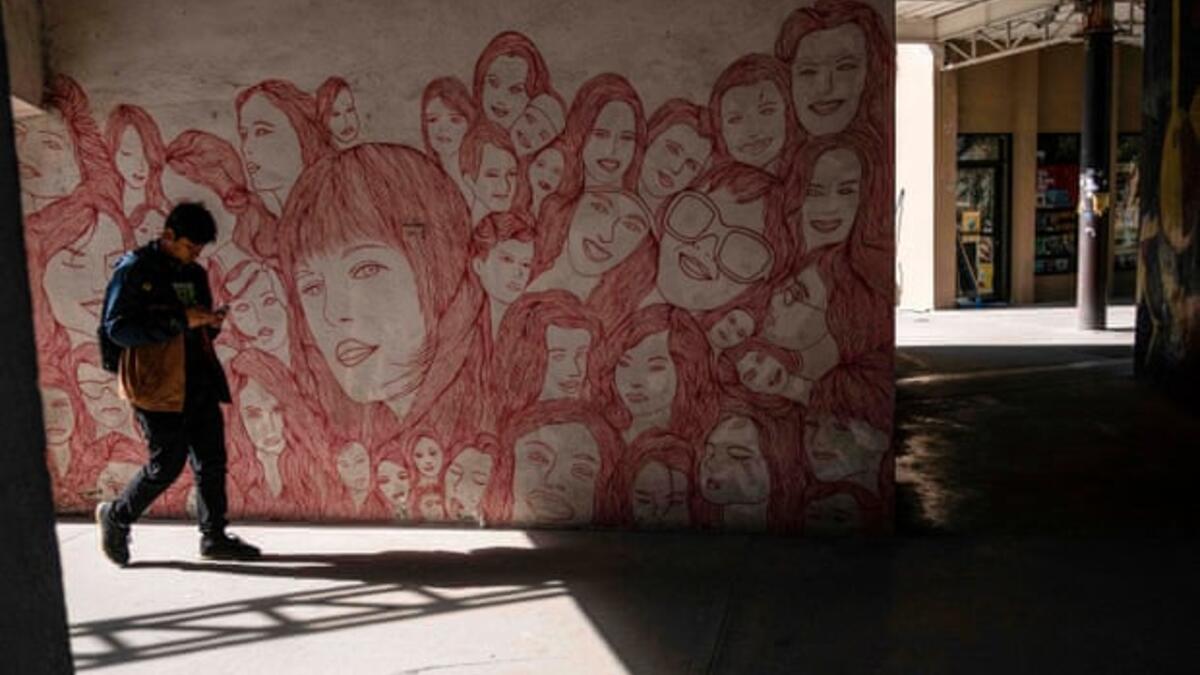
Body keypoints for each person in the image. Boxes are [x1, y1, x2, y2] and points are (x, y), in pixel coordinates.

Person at [95, 202, 261, 565]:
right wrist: (179, 321)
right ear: (168, 235)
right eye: (189, 247)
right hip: (155, 384)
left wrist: (209, 323)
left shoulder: (195, 274)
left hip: (198, 377)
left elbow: (196, 326)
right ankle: (117, 516)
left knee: (211, 461)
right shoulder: (135, 269)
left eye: (199, 250)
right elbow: (118, 329)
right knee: (166, 465)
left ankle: (214, 536)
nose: (194, 255)